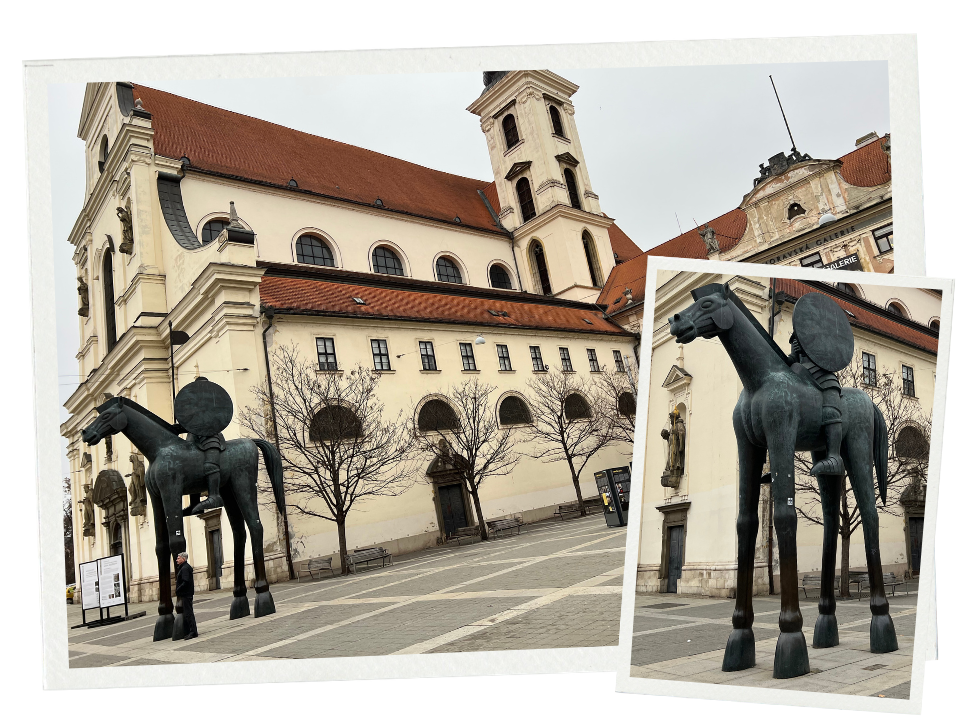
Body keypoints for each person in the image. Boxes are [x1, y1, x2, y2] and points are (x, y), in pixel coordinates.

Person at [785, 330, 843, 475]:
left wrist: (809, 347)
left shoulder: (822, 327)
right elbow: (793, 359)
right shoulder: (798, 329)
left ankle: (834, 456)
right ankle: (781, 464)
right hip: (798, 376)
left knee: (830, 411)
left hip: (821, 374)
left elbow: (832, 354)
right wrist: (791, 356)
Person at [175, 552, 198, 639]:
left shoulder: (184, 568)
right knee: (188, 612)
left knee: (188, 613)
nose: (177, 560)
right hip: (187, 593)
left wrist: (178, 589)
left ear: (183, 559)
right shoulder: (184, 567)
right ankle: (191, 630)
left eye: (178, 558)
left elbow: (186, 581)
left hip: (186, 593)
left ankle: (193, 631)